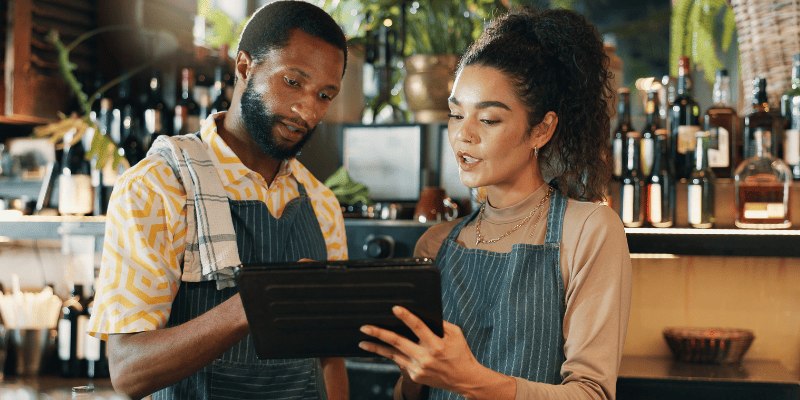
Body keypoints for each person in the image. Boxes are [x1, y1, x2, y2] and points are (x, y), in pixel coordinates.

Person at [358, 6, 632, 400]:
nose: (462, 136)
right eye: (455, 114)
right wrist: (415, 371)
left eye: (488, 119)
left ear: (541, 128)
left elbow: (591, 394)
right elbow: (411, 394)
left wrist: (467, 378)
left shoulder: (588, 230)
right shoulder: (436, 244)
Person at [86, 2, 350, 399]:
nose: (307, 110)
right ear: (244, 68)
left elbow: (329, 358)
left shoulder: (320, 202)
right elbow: (128, 370)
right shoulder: (160, 187)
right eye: (293, 82)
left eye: (325, 94)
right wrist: (259, 302)